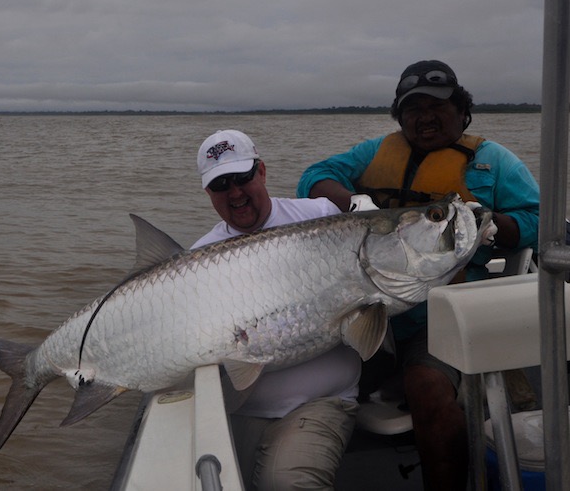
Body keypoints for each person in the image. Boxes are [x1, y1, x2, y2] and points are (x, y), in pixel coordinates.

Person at [296, 60, 540, 490]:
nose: (424, 117)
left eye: (437, 106)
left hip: (444, 314)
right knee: (298, 364)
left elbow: (538, 218)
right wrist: (353, 203)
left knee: (426, 384)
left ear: (461, 110)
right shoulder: (375, 152)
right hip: (370, 304)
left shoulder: (494, 161)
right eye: (413, 109)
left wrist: (495, 227)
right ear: (399, 116)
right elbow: (314, 177)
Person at [193, 129, 362, 490]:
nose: (235, 193)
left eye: (243, 178)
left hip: (319, 402)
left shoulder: (321, 218)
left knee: (285, 483)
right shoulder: (197, 260)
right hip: (238, 410)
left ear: (262, 171)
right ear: (208, 192)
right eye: (221, 185)